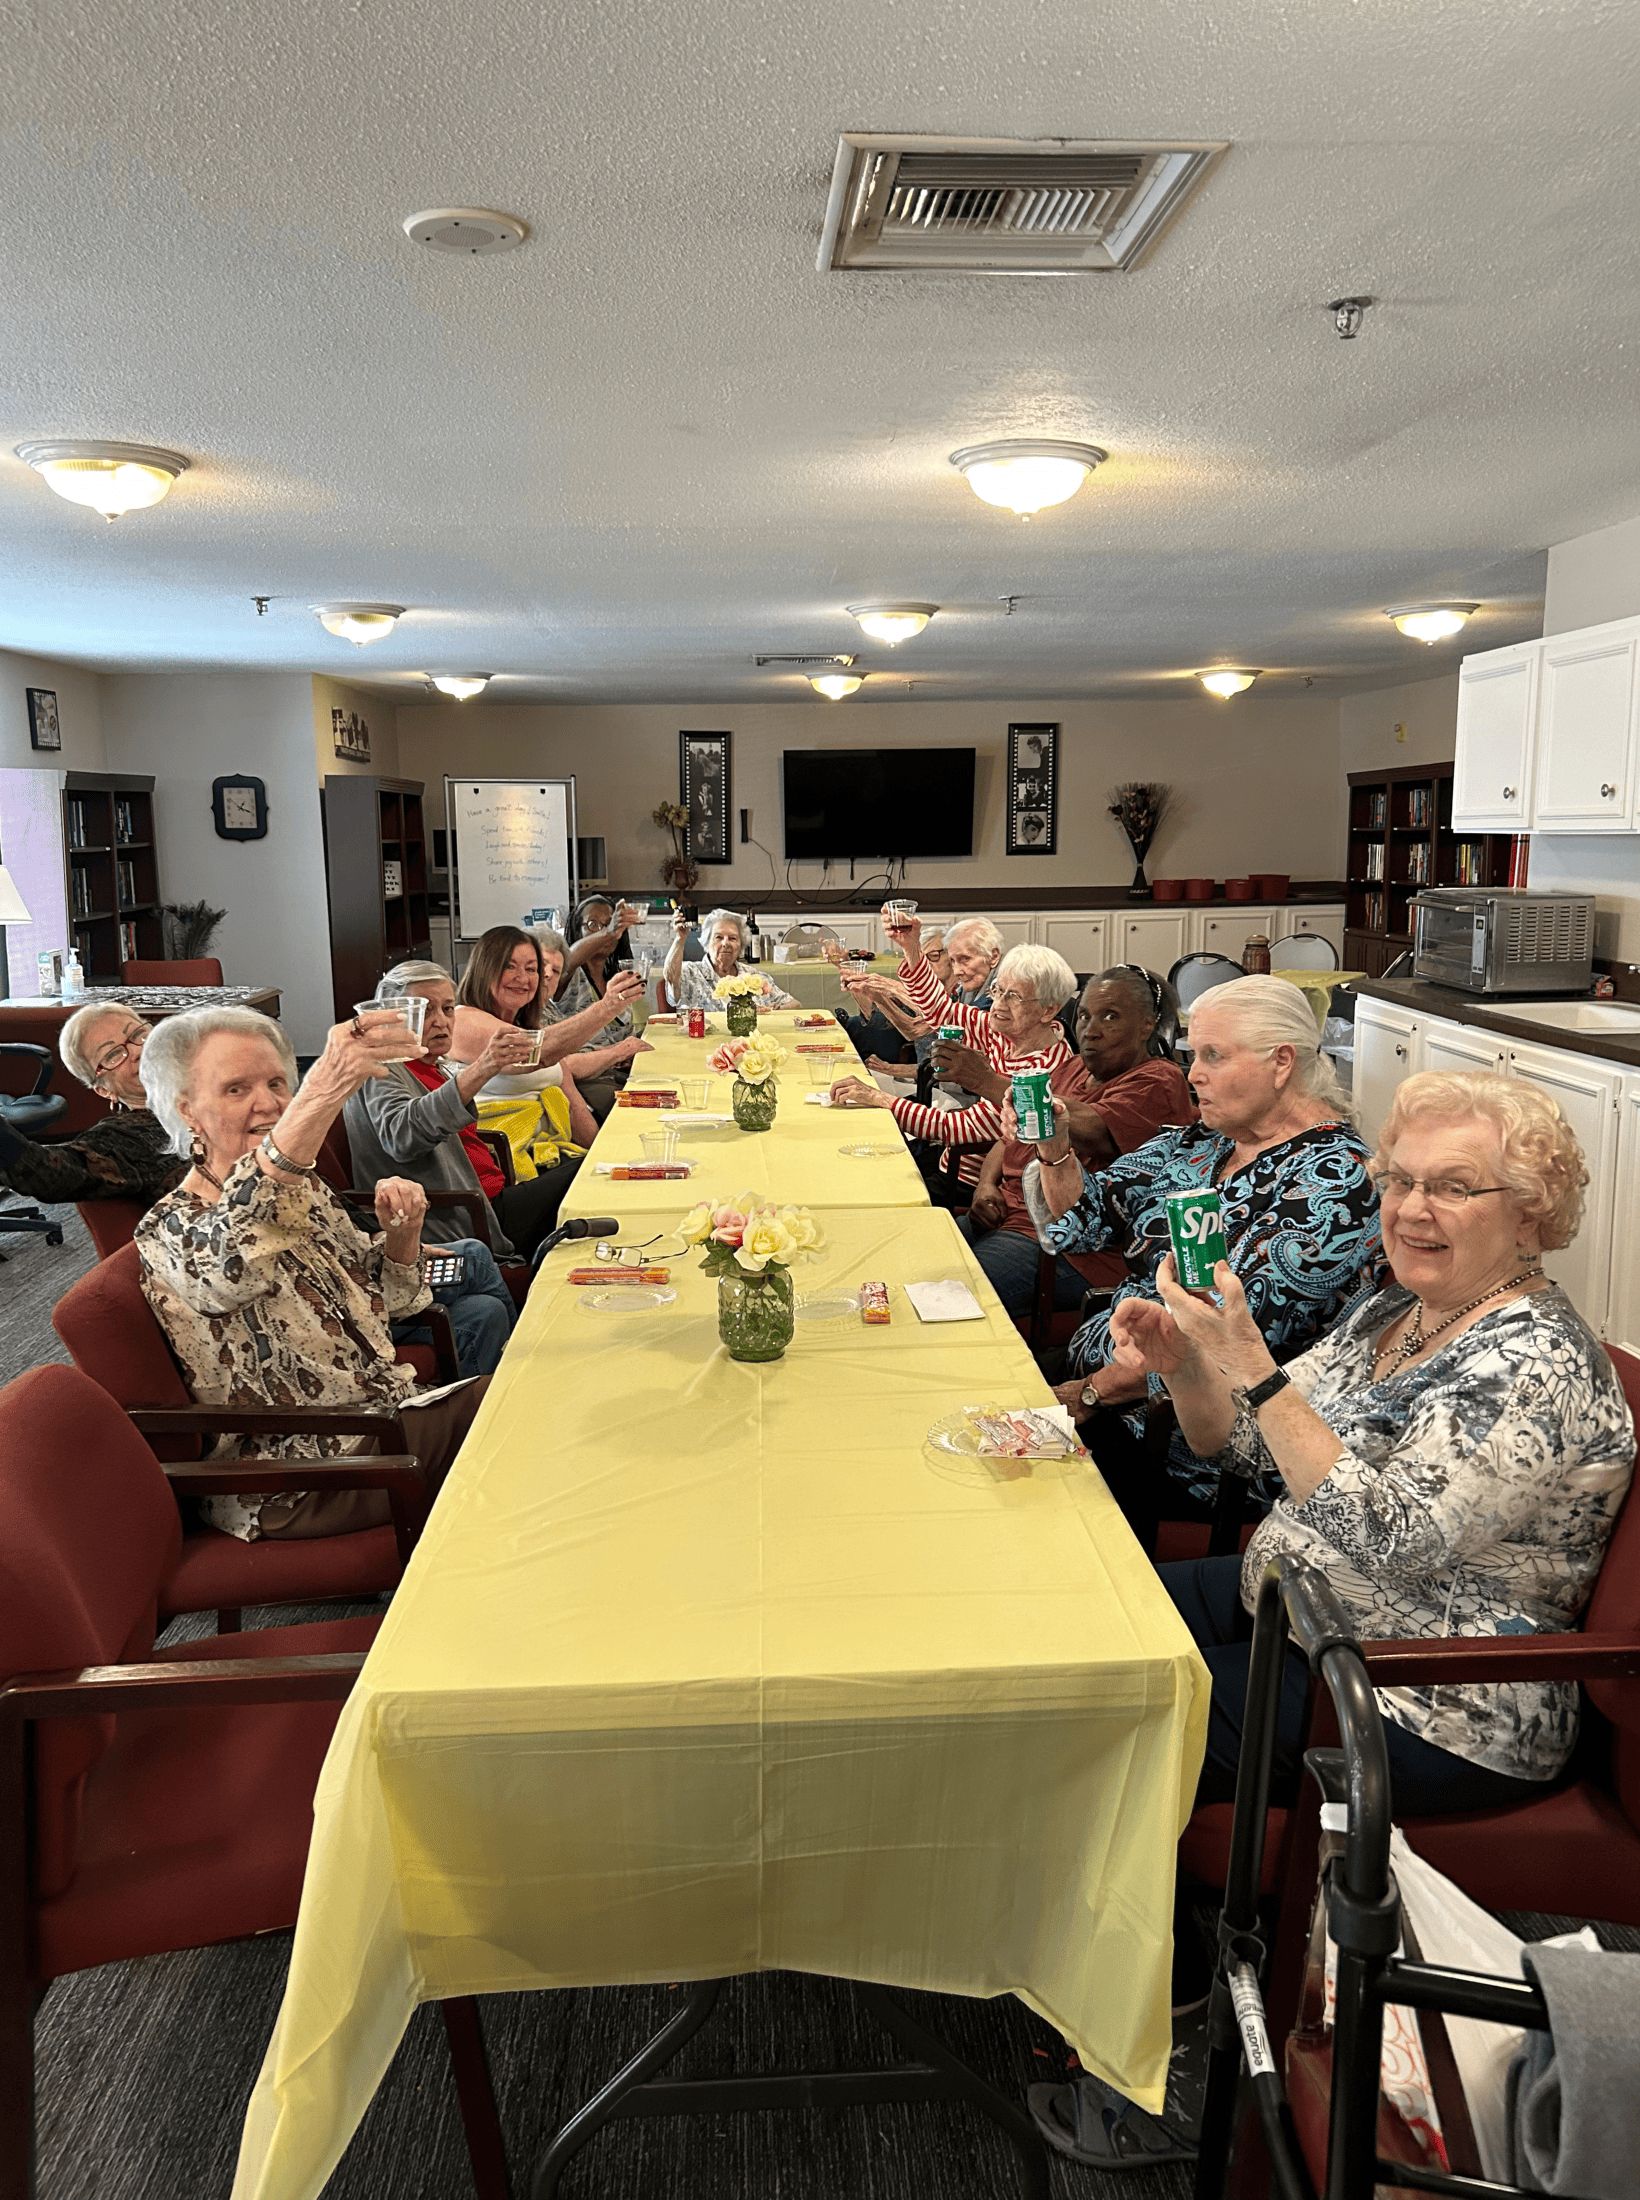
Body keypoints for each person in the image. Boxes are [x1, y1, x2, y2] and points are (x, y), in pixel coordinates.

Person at [1030, 1070, 1636, 2174]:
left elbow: (1395, 1534)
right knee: (1077, 1620)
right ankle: (1075, 1939)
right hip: (1304, 1608)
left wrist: (1252, 1368)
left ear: (1529, 1211)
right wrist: (1188, 1366)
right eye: (1398, 1179)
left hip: (1432, 1691)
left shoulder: (1532, 1362)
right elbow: (1237, 1446)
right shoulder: (1395, 1313)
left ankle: (1153, 2065)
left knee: (1106, 1710)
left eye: (1454, 1187)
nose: (1410, 1208)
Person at [1022, 975, 1381, 1528]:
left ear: (1281, 1062)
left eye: (1213, 1055)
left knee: (1011, 1506)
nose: (1194, 1074)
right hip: (1104, 1383)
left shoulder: (1335, 1181)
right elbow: (1084, 1219)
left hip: (1180, 1439)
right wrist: (1052, 1142)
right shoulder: (1203, 1140)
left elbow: (1220, 1341)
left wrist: (1089, 1394)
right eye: (1194, 1054)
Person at [137, 1004, 492, 1542]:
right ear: (187, 1111)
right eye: (236, 1089)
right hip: (298, 1476)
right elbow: (233, 1264)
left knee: (526, 1398)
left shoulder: (302, 1193)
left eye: (278, 1082)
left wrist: (401, 1237)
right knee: (513, 1407)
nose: (270, 1103)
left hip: (380, 1422)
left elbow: (391, 1304)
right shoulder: (169, 1227)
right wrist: (322, 1091)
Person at [958, 968, 1196, 1313]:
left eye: (1110, 1016)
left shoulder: (1158, 1080)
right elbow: (1008, 1139)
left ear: (1147, 1024)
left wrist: (985, 1081)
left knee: (957, 1296)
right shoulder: (1070, 1068)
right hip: (1005, 1215)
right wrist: (985, 1185)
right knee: (912, 1263)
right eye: (1083, 1015)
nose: (1091, 1030)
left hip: (1069, 1246)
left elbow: (1090, 1127)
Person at [346, 960, 585, 1263]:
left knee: (592, 1171)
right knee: (589, 1175)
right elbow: (402, 1136)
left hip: (487, 1195)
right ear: (391, 1016)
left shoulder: (429, 1062)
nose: (440, 1021)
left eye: (447, 1009)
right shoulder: (382, 1067)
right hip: (465, 1214)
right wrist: (482, 1068)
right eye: (425, 1010)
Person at [830, 918, 1083, 1195]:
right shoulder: (1008, 1031)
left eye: (1013, 997)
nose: (998, 1004)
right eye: (997, 991)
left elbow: (954, 1127)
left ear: (1048, 1010)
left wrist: (877, 1098)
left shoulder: (1038, 1071)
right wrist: (911, 947)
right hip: (948, 1159)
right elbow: (942, 1012)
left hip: (967, 1180)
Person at [451, 923, 641, 1151]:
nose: (522, 978)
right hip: (503, 1161)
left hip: (553, 1150)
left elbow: (573, 1105)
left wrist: (601, 1155)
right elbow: (535, 1053)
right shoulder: (462, 1020)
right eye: (510, 967)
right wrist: (608, 1007)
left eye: (531, 969)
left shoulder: (531, 1026)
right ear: (484, 970)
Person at [0, 1003, 181, 1206]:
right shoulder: (124, 1138)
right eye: (113, 1054)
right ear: (104, 1090)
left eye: (139, 1034)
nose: (138, 1051)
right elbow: (51, 1174)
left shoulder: (207, 1082)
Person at [532, 918, 653, 1120]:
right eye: (539, 966)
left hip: (595, 1081)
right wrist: (618, 1052)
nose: (547, 974)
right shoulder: (524, 1013)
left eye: (555, 971)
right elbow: (563, 1065)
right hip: (584, 1093)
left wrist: (619, 1052)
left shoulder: (547, 1008)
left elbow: (570, 1055)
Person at [660, 907, 798, 1011]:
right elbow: (671, 978)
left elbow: (795, 1004)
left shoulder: (755, 976)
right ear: (707, 943)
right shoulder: (689, 972)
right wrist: (680, 938)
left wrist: (774, 1011)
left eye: (732, 938)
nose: (725, 943)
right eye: (718, 937)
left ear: (741, 946)